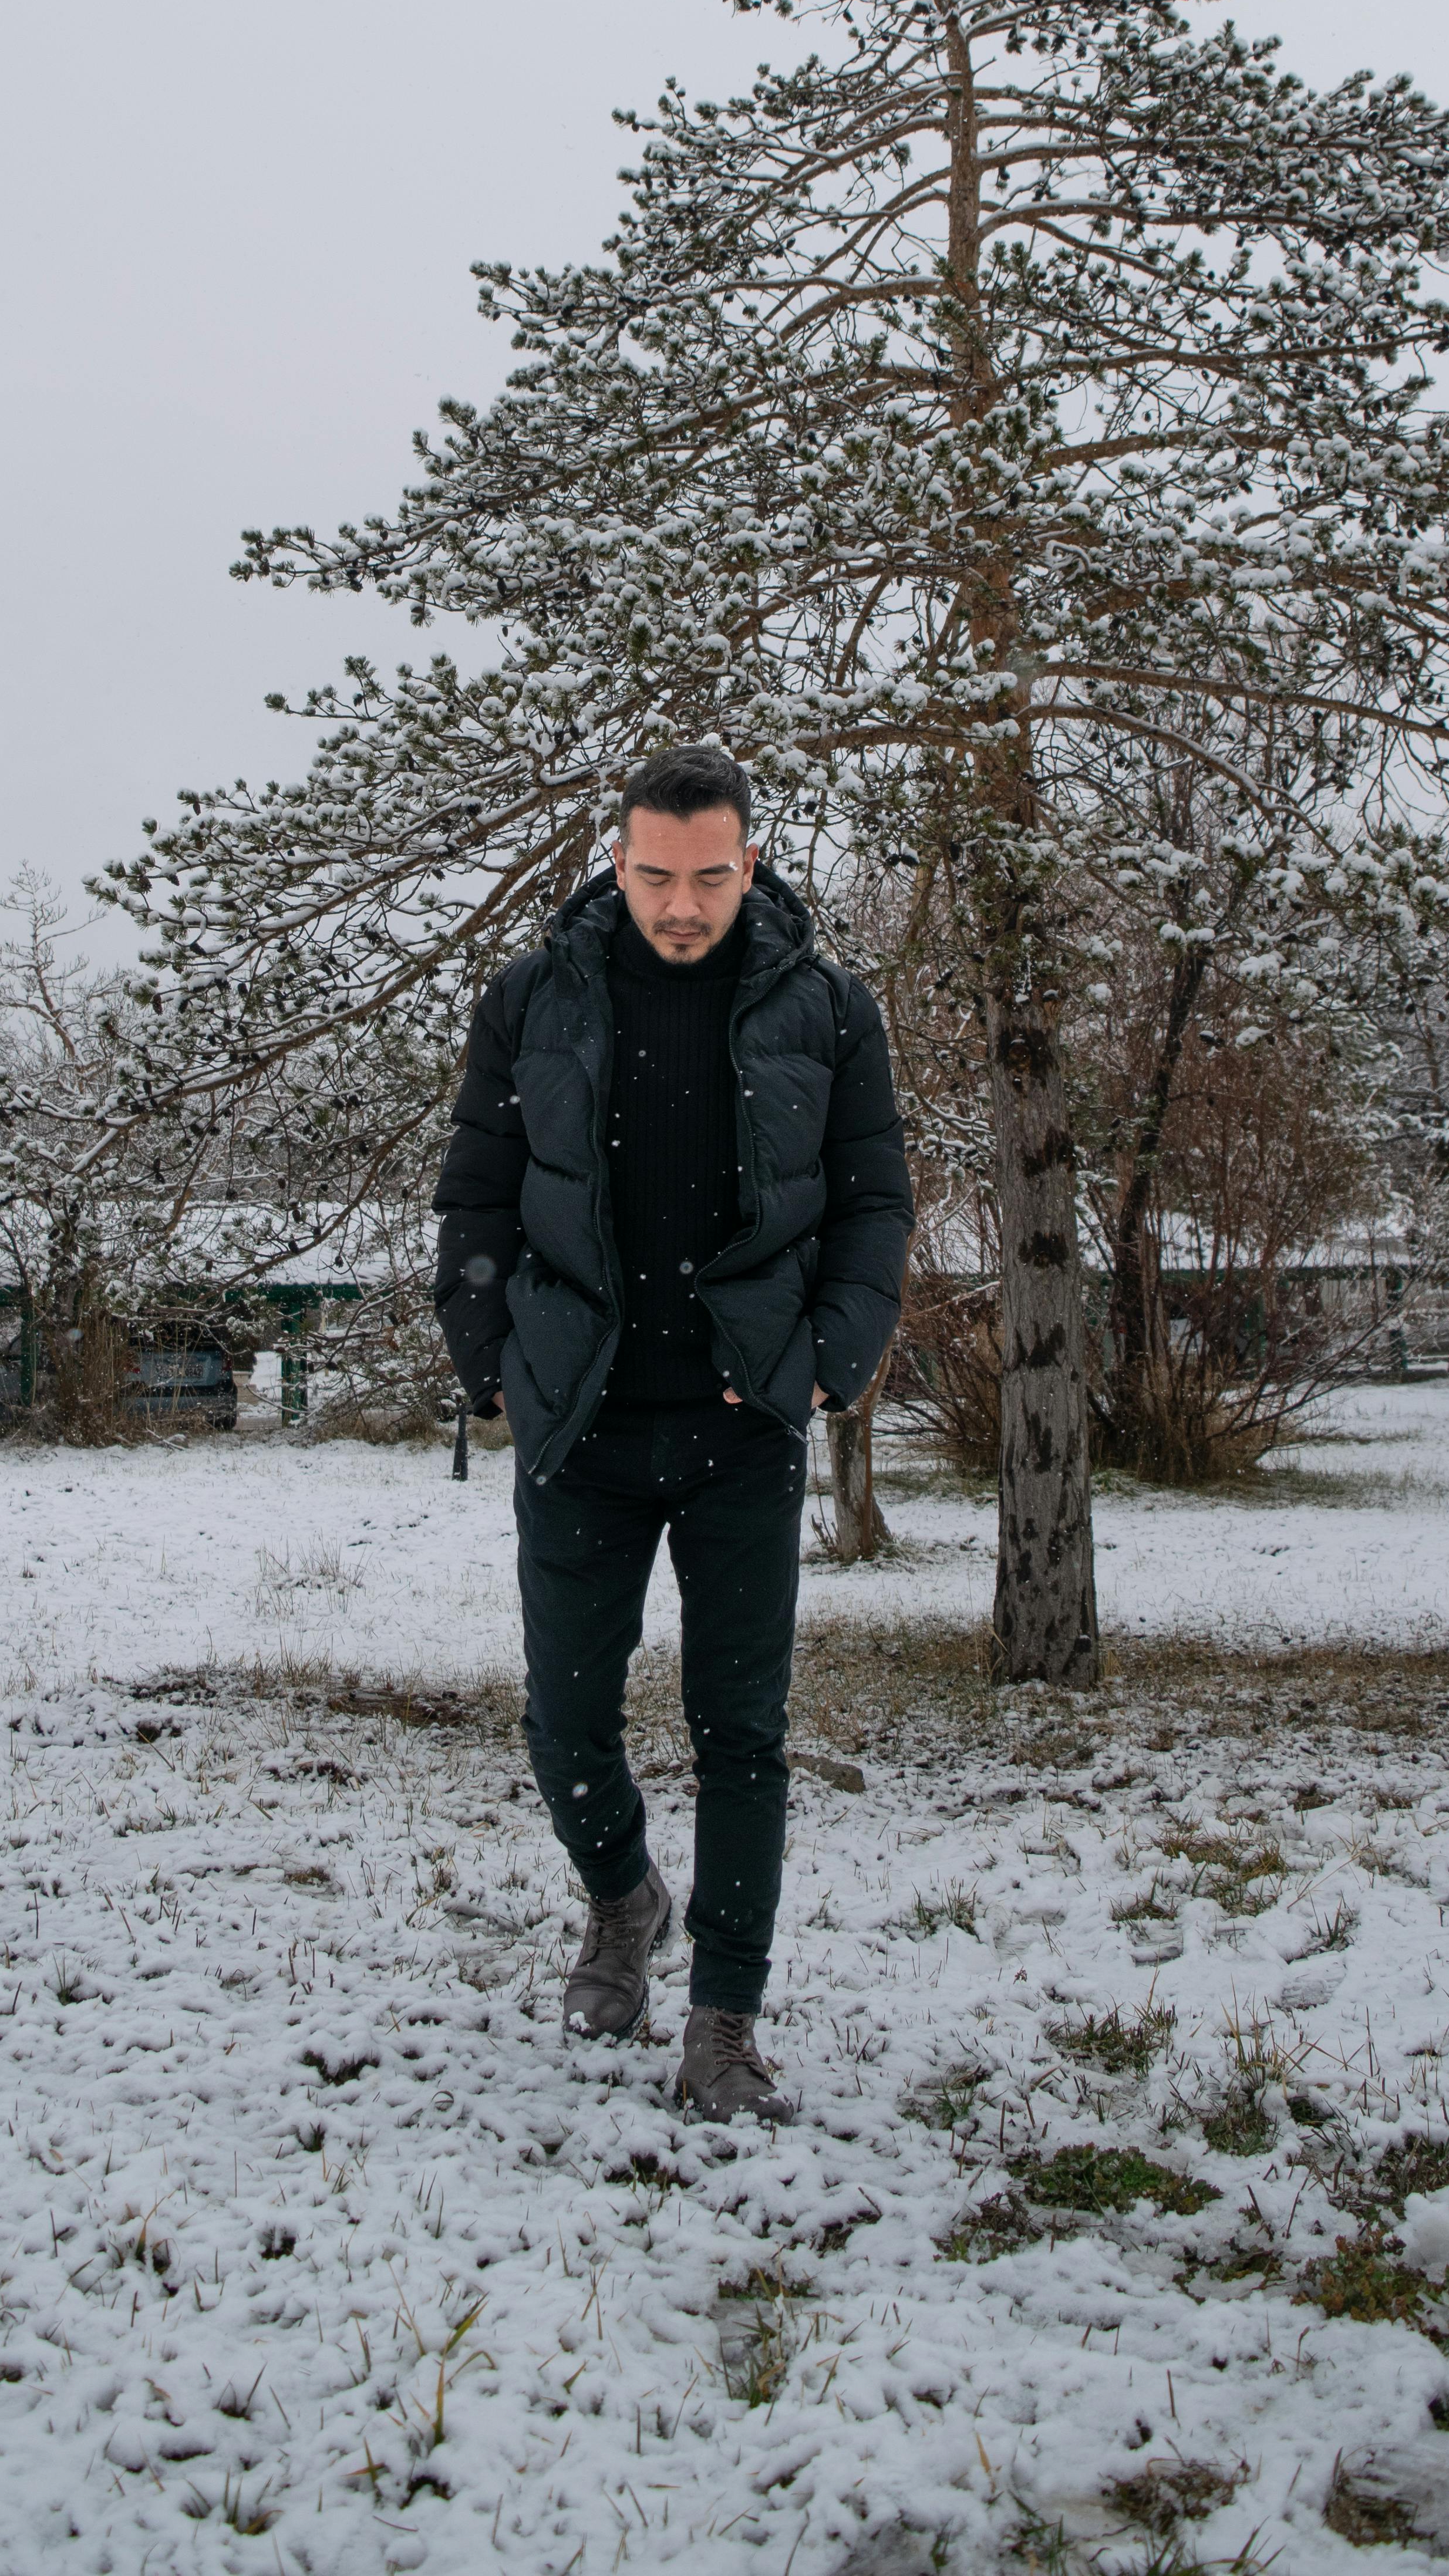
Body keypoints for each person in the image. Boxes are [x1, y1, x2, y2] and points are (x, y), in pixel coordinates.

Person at [431, 744, 912, 2120]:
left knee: (739, 1732)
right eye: (654, 875)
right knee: (565, 1717)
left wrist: (827, 1360)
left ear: (748, 862)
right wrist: (496, 1366)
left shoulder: (825, 1009)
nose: (681, 904)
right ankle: (621, 1896)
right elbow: (476, 1191)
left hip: (740, 1422)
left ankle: (722, 2020)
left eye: (708, 877)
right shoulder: (533, 1000)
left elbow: (872, 1199)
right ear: (619, 857)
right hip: (576, 1421)